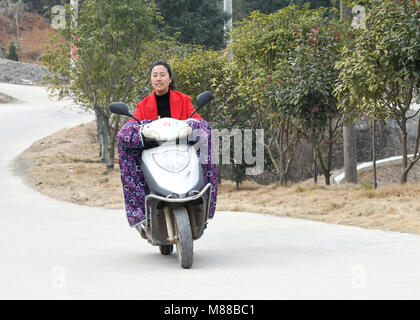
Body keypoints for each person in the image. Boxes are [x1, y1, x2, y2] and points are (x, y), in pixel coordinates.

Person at [116, 61, 218, 230]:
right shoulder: (143, 104)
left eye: (162, 75)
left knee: (206, 135)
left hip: (182, 150)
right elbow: (133, 125)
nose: (158, 79)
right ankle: (140, 212)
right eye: (154, 75)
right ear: (150, 79)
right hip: (154, 153)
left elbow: (198, 121)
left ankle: (203, 203)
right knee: (124, 140)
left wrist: (194, 126)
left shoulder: (183, 100)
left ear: (170, 79)